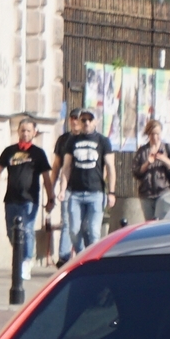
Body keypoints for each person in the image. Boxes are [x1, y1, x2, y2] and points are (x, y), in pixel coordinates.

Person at [0, 117, 52, 293]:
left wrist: (50, 198)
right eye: (22, 130)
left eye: (28, 130)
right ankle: (20, 257)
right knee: (11, 231)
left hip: (30, 199)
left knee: (27, 229)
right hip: (11, 198)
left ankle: (26, 261)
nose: (25, 133)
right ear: (18, 131)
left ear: (34, 132)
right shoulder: (9, 151)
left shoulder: (38, 153)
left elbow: (46, 178)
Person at [50, 109, 113, 261]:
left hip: (96, 193)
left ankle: (93, 260)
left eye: (89, 120)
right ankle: (81, 256)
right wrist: (62, 189)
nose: (86, 123)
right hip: (75, 193)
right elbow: (65, 167)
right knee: (73, 230)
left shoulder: (103, 141)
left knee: (93, 230)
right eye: (83, 120)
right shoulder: (72, 141)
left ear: (95, 122)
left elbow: (110, 167)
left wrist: (111, 192)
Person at [131, 119, 170, 221]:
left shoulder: (168, 148)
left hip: (164, 192)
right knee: (150, 224)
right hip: (146, 194)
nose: (155, 137)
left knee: (161, 221)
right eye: (152, 134)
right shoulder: (142, 151)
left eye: (157, 134)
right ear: (148, 134)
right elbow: (136, 172)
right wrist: (147, 163)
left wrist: (164, 159)